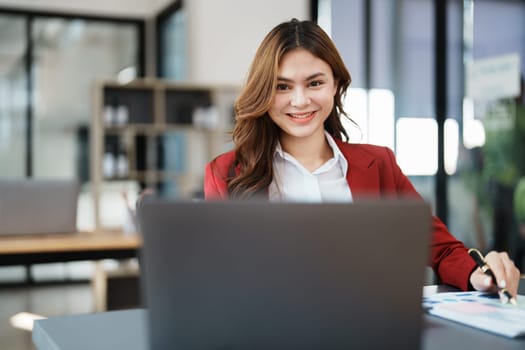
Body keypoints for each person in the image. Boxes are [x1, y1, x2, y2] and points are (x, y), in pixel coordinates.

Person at [203, 19, 520, 298]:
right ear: (264, 92)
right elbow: (217, 278)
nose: (300, 101)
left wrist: (479, 273)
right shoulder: (226, 173)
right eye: (282, 86)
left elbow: (442, 249)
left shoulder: (379, 164)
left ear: (336, 84)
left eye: (315, 83)